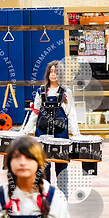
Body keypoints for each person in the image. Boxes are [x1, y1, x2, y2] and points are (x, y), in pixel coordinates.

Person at [22, 60, 80, 197]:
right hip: (42, 135)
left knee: (62, 170)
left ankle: (63, 199)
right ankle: (44, 200)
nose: (53, 74)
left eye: (56, 72)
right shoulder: (41, 91)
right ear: (48, 74)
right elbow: (34, 114)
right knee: (43, 171)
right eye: (51, 72)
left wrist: (77, 135)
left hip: (61, 136)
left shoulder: (66, 92)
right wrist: (24, 132)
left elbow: (71, 115)